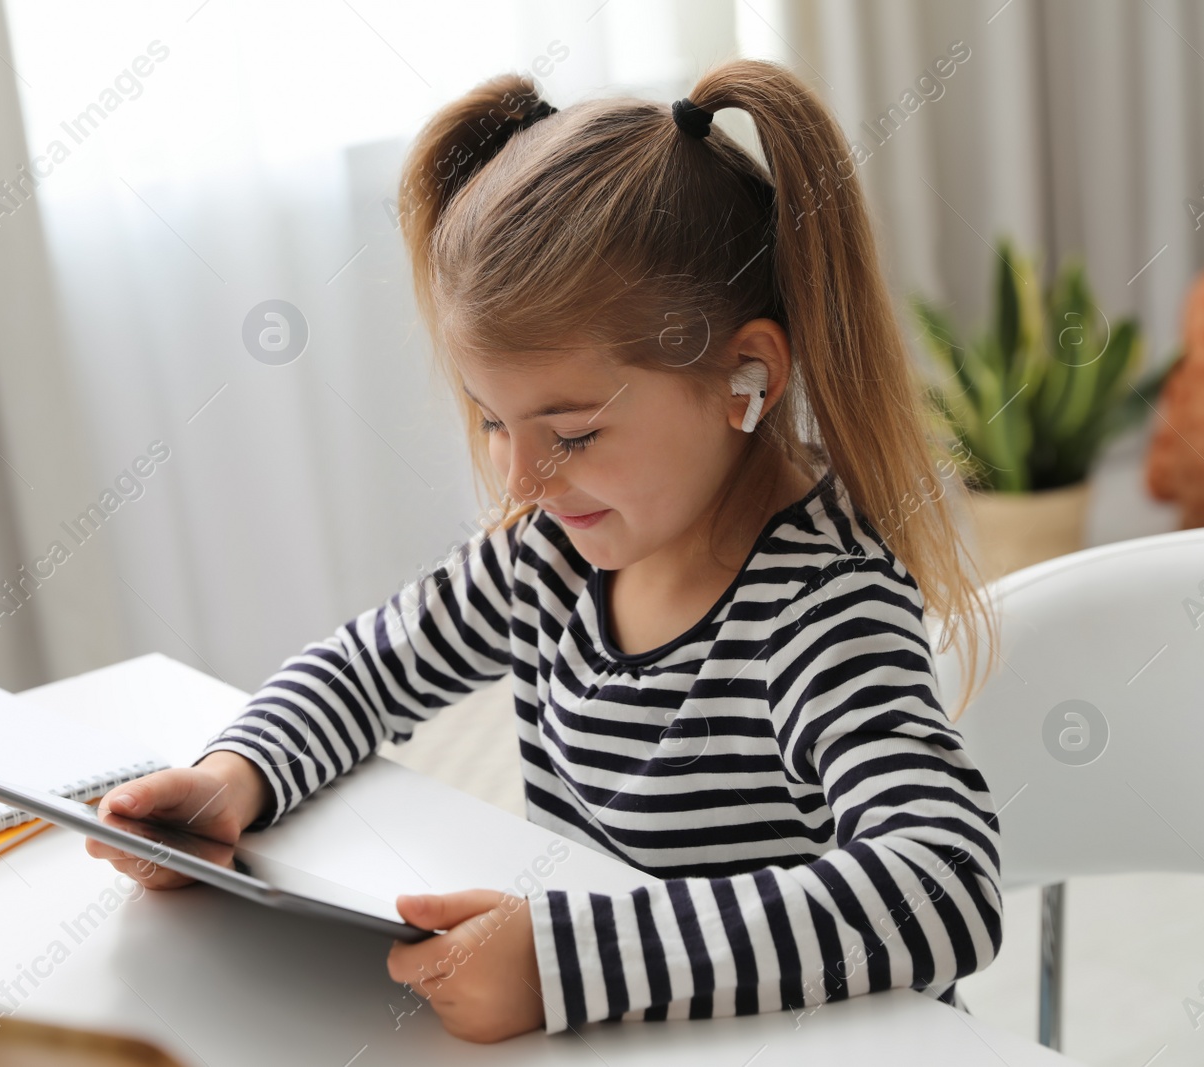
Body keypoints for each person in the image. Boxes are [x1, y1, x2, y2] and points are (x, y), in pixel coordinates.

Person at [89, 57, 1004, 1044]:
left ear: (747, 374)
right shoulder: (551, 557)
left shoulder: (819, 608)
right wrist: (236, 774)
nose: (520, 481)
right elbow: (365, 667)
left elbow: (942, 881)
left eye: (569, 433)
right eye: (492, 421)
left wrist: (570, 962)